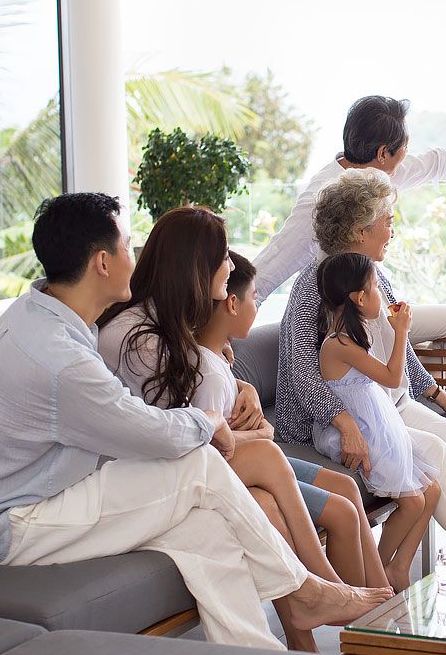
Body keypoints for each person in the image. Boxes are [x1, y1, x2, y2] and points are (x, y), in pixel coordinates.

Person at [0, 192, 389, 652]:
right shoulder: (61, 358)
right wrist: (209, 421)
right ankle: (305, 593)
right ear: (102, 262)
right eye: (126, 246)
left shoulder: (36, 315)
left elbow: (133, 419)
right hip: (17, 522)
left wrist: (219, 409)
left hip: (48, 493)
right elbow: (147, 429)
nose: (132, 257)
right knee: (200, 467)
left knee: (208, 532)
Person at [96, 209, 389, 599]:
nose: (230, 265)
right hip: (166, 464)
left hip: (200, 449)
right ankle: (325, 592)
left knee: (342, 489)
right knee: (271, 486)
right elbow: (182, 422)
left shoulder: (171, 321)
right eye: (223, 259)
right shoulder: (136, 337)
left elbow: (200, 382)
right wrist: (248, 418)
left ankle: (379, 608)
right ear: (196, 267)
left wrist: (242, 386)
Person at [276, 169, 446, 548]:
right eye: (388, 221)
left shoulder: (374, 276)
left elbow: (400, 351)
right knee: (436, 452)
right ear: (361, 231)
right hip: (348, 415)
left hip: (385, 401)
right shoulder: (313, 286)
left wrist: (444, 399)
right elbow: (303, 374)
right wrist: (345, 425)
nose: (393, 229)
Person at [253, 94, 446, 346]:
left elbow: (437, 162)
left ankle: (428, 395)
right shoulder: (322, 198)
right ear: (382, 153)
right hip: (351, 322)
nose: (407, 156)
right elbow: (265, 275)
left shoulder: (379, 172)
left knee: (439, 331)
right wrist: (218, 343)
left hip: (379, 305)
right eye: (404, 147)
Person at [316, 253, 441, 591]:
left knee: (432, 492)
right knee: (413, 500)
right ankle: (378, 571)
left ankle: (398, 567)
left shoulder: (351, 337)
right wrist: (402, 332)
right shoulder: (337, 344)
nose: (379, 297)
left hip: (376, 422)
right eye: (374, 289)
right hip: (366, 430)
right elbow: (391, 376)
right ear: (359, 298)